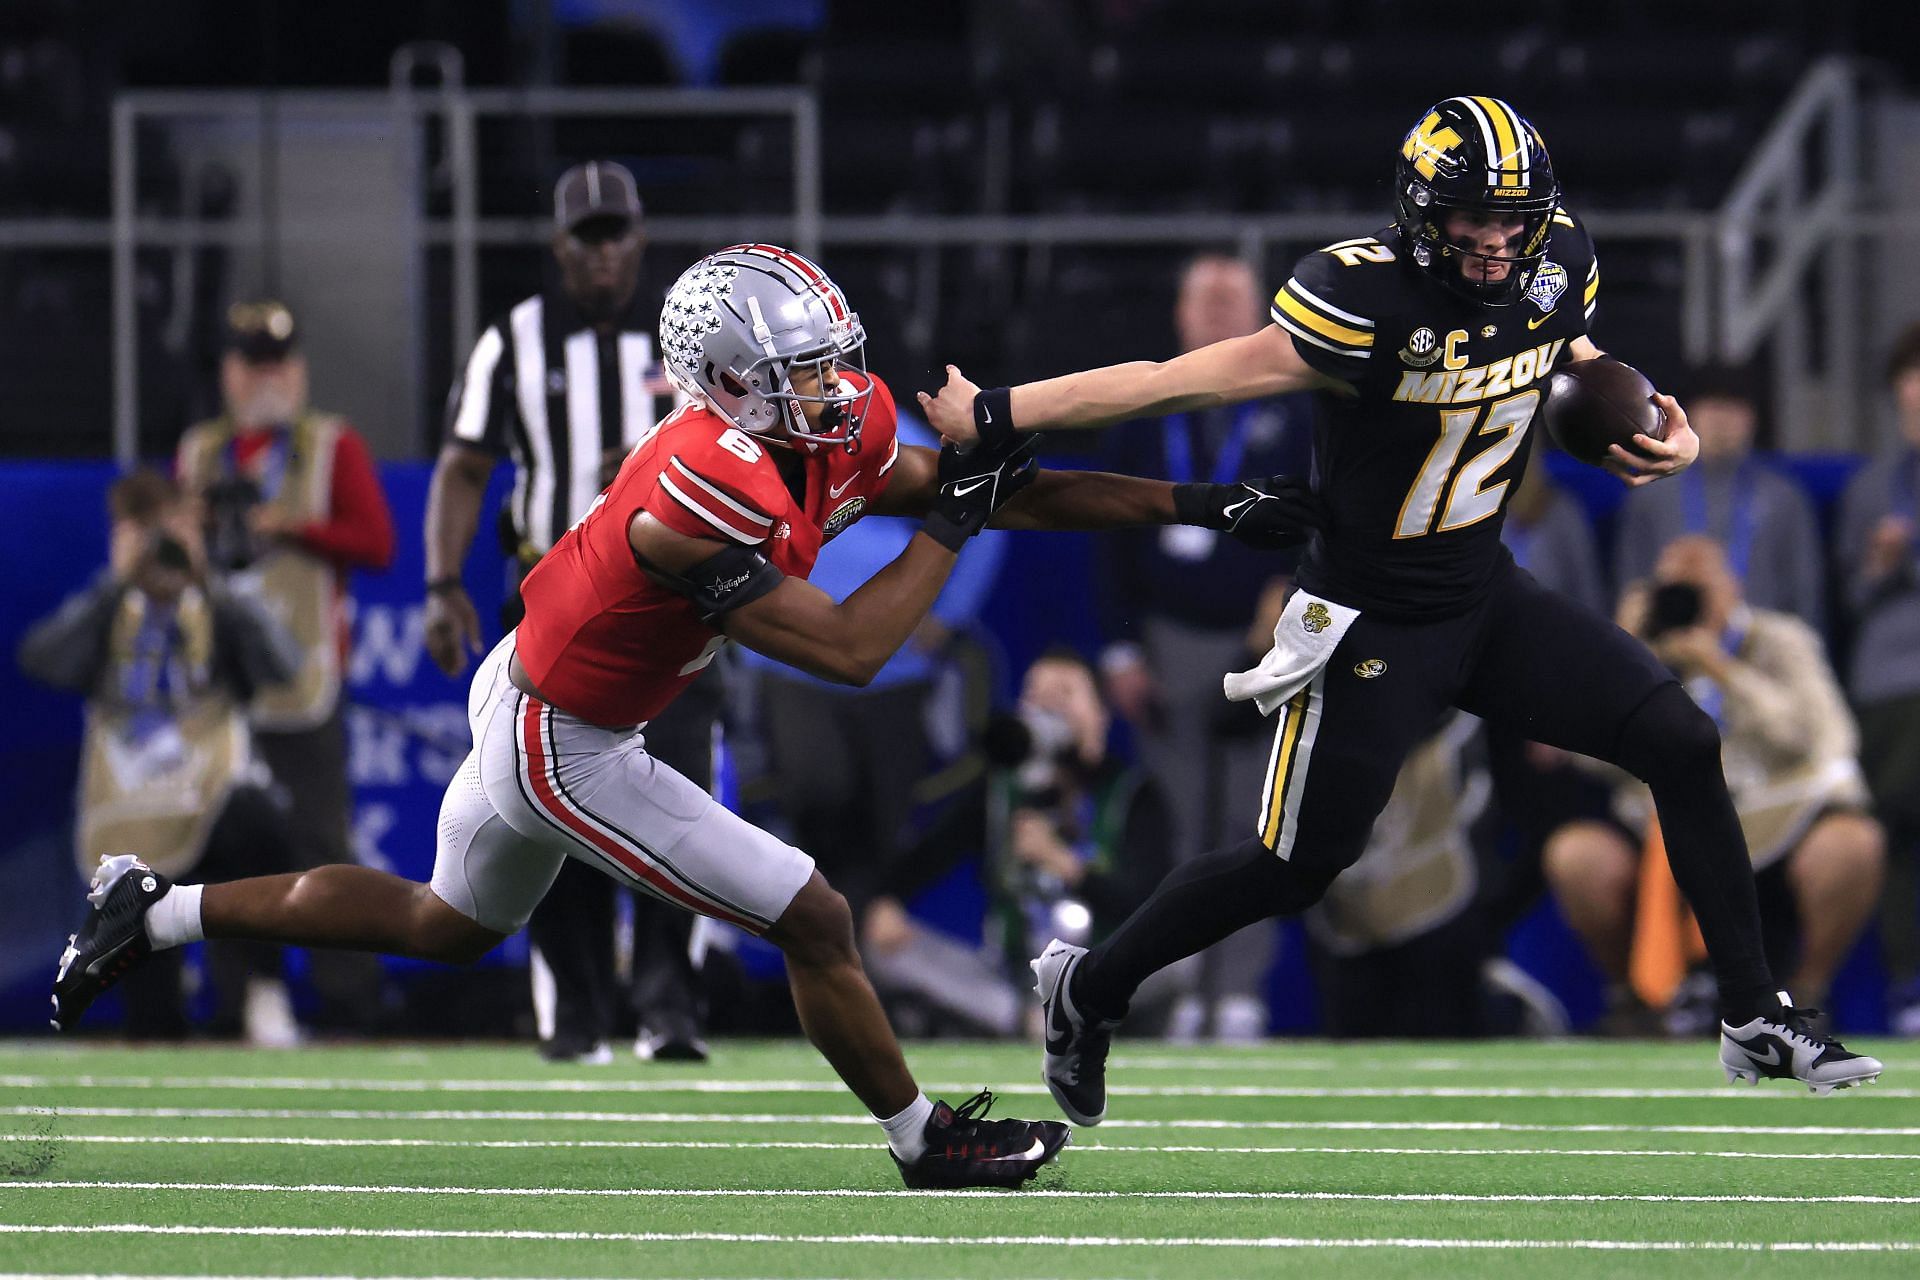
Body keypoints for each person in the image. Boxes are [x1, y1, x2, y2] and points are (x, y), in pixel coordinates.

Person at [52, 244, 1255, 1188]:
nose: (838, 392)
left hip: (543, 678)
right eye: (807, 374)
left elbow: (998, 492)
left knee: (445, 923)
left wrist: (1200, 503)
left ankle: (155, 911)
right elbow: (851, 646)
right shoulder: (694, 494)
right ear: (733, 385)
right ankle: (921, 1136)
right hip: (564, 733)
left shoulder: (817, 424)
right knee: (814, 913)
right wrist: (954, 517)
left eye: (838, 361)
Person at [919, 94, 1882, 1113]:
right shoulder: (1361, 297)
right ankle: (1090, 983)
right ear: (1421, 211)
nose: (1497, 239)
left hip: (1484, 592)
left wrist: (1654, 425)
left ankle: (1751, 1011)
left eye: (1515, 218)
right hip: (1367, 617)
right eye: (1473, 219)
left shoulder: (1555, 265)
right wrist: (995, 410)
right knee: (1295, 864)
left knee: (1682, 741)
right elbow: (1179, 381)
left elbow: (1575, 357)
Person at [423, 159, 715, 1064]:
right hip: (552, 598)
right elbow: (464, 466)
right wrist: (441, 586)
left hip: (673, 605)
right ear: (560, 248)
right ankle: (576, 1013)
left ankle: (669, 1012)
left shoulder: (692, 340)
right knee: (549, 804)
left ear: (640, 240)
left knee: (681, 801)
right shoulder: (513, 340)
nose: (600, 256)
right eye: (584, 239)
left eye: (614, 235)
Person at [1096, 252, 1314, 1042]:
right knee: (1185, 821)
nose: (1220, 316)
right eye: (1206, 302)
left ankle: (1242, 990)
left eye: (1234, 302)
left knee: (1258, 825)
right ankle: (1188, 983)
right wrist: (1120, 650)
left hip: (1264, 635)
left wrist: (1285, 624)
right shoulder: (1150, 404)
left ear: (1259, 312)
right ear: (1183, 316)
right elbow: (1109, 523)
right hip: (1167, 636)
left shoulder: (1294, 406)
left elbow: (1321, 522)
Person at [1546, 535, 1883, 1031]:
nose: (1687, 601)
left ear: (1732, 589)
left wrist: (1721, 669)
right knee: (1577, 856)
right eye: (1673, 589)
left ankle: (1808, 994)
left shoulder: (1778, 640)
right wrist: (1622, 646)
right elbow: (1581, 753)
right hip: (1662, 830)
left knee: (1852, 844)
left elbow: (1815, 735)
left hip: (1769, 823)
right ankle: (1638, 999)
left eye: (1699, 588)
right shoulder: (1637, 653)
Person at [175, 300, 396, 1032]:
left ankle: (351, 1004)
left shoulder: (331, 445)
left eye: (278, 364)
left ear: (297, 371)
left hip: (303, 684)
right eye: (252, 365)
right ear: (229, 374)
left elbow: (377, 542)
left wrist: (291, 526)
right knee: (219, 849)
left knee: (321, 845)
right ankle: (236, 1003)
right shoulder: (200, 452)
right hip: (218, 692)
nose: (266, 378)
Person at [24, 470, 303, 1041]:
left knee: (267, 830)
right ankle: (167, 1017)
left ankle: (261, 990)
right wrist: (116, 582)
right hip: (129, 805)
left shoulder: (214, 607)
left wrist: (209, 578)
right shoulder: (109, 611)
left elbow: (284, 665)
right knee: (152, 1017)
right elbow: (42, 659)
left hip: (209, 787)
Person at [860, 646, 1174, 1036]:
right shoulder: (998, 794)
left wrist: (1064, 864)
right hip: (1008, 978)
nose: (1047, 707)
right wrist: (888, 902)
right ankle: (1027, 1020)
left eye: (1064, 694)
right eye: (1036, 695)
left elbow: (1148, 901)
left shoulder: (1132, 794)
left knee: (1183, 953)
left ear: (1098, 717)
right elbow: (925, 857)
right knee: (886, 948)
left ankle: (1065, 1014)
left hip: (1103, 970)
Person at [1835, 323, 1920, 1030]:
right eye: (1912, 377)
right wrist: (1880, 569)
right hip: (1889, 681)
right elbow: (1850, 599)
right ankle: (1906, 983)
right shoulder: (1873, 486)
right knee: (1894, 829)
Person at [1612, 368, 1824, 630]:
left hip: (1760, 645)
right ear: (1685, 415)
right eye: (1712, 407)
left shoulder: (1784, 497)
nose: (1721, 421)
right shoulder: (1651, 494)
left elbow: (1806, 595)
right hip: (1668, 641)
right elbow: (1629, 589)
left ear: (1754, 419)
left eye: (1733, 409)